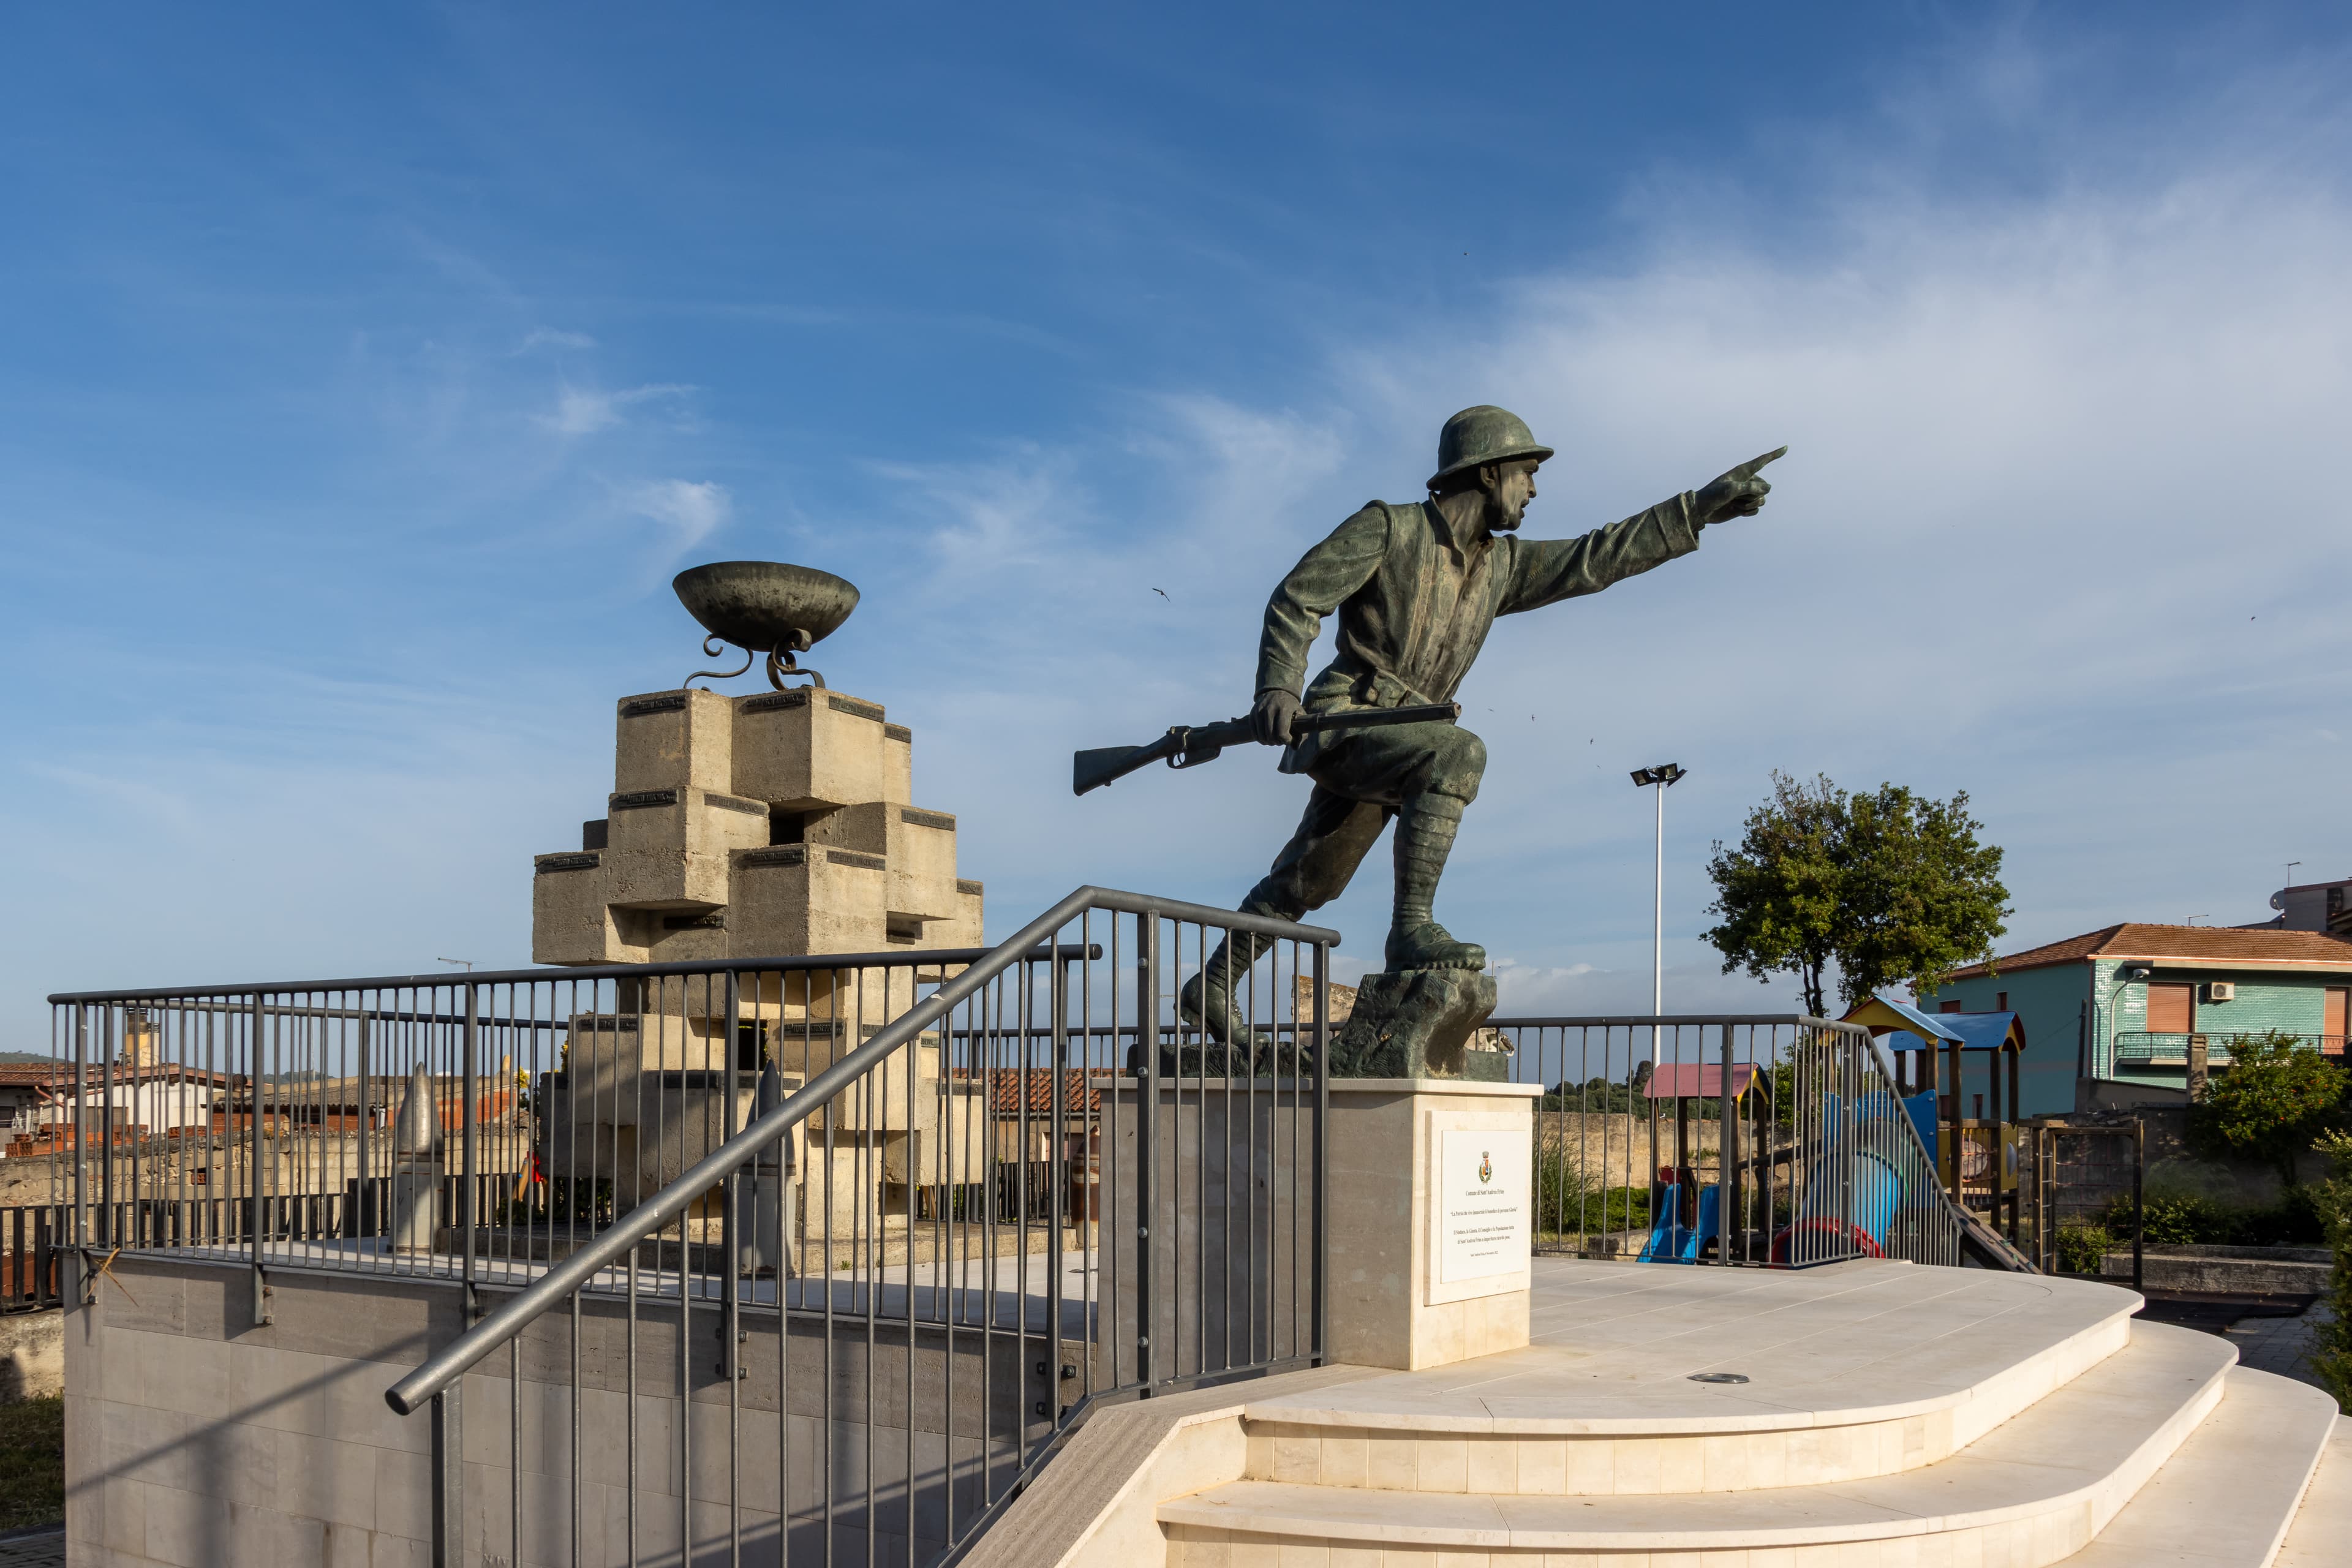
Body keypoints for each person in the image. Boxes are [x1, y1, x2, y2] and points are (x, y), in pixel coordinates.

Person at [1182, 405, 1777, 1042]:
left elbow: (1596, 557)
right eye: (1527, 472)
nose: (1535, 489)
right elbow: (1298, 597)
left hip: (1406, 734)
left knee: (1309, 879)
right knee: (1459, 754)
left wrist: (1697, 509)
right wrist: (1278, 685)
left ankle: (1212, 985)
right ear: (1490, 473)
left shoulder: (1502, 565)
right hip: (1348, 719)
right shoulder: (1389, 527)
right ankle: (1411, 924)